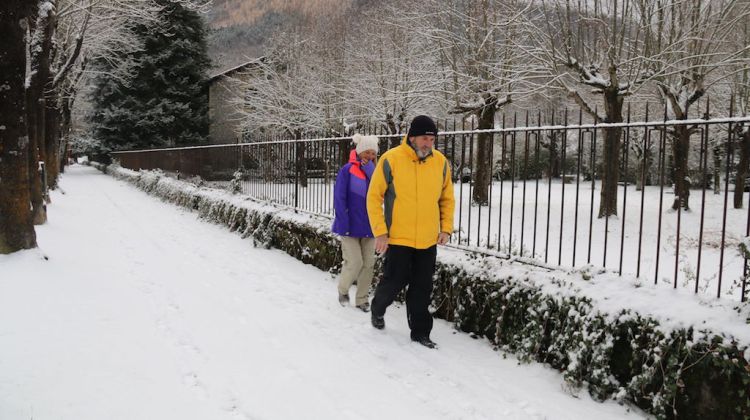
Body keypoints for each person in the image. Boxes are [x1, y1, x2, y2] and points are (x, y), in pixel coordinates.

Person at [366, 115, 455, 349]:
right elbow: (373, 198)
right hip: (398, 238)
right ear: (412, 137)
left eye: (432, 139)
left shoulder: (440, 163)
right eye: (424, 138)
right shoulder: (391, 159)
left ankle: (420, 333)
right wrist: (380, 232)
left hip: (427, 240)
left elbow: (447, 199)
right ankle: (377, 308)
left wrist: (446, 228)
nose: (428, 143)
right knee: (393, 282)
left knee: (422, 288)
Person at [332, 133, 380, 312]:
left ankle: (362, 299)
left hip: (369, 225)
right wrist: (343, 221)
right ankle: (343, 290)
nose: (370, 156)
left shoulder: (375, 172)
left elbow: (379, 195)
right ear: (359, 151)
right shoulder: (347, 170)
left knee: (368, 264)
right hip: (349, 225)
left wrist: (370, 172)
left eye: (373, 153)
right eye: (366, 152)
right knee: (355, 262)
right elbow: (339, 197)